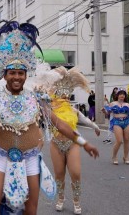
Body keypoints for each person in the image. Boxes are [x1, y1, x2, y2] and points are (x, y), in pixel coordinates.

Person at [0, 21, 99, 214]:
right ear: (4, 75)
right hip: (3, 158)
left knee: (30, 210)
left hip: (30, 159)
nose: (16, 77)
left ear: (25, 75)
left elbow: (60, 124)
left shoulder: (36, 97)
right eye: (12, 73)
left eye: (20, 73)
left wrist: (83, 142)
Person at [49, 67, 101, 214]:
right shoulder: (50, 110)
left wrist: (96, 127)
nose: (65, 97)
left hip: (72, 144)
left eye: (66, 95)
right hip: (55, 143)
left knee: (75, 173)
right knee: (59, 174)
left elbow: (85, 120)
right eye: (62, 94)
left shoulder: (72, 110)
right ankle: (60, 198)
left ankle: (76, 201)